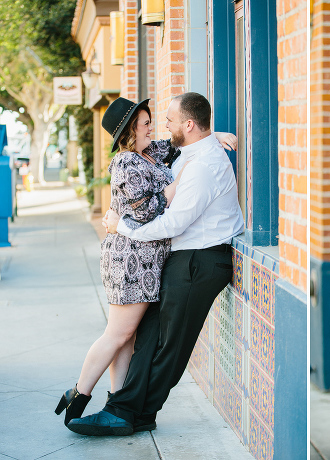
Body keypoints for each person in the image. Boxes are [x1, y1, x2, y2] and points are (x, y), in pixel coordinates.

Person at [66, 92, 244, 436]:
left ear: (188, 125)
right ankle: (125, 408)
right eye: (151, 121)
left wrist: (123, 226)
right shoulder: (185, 153)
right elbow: (173, 148)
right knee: (148, 336)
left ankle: (136, 412)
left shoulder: (202, 166)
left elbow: (171, 224)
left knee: (170, 346)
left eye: (169, 120)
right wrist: (214, 136)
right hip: (183, 258)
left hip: (201, 259)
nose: (163, 125)